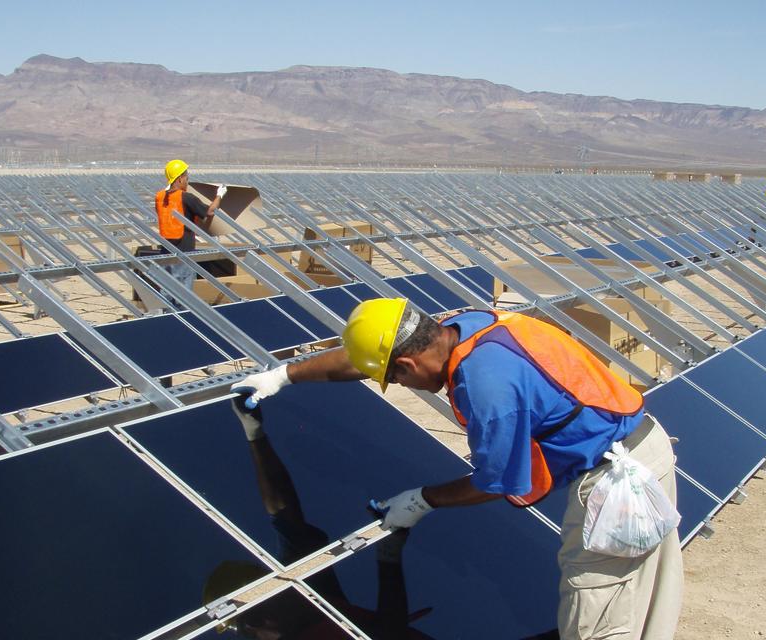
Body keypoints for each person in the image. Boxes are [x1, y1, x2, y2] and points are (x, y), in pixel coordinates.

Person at [232, 300, 683, 640]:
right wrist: (282, 376)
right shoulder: (466, 324)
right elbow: (366, 359)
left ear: (407, 365)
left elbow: (501, 481)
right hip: (647, 447)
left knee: (594, 611)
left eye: (397, 380)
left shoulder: (485, 390)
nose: (399, 386)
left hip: (614, 485)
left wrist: (420, 501)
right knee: (648, 597)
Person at [200, 397, 433, 639]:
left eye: (259, 610)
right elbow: (387, 634)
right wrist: (389, 557)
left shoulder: (310, 593)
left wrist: (254, 433)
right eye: (252, 621)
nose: (266, 621)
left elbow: (284, 514)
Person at [154, 159, 226, 301]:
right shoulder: (186, 197)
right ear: (180, 178)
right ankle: (183, 317)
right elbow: (210, 212)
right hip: (184, 250)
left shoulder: (159, 196)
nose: (187, 181)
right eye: (186, 177)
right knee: (184, 294)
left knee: (167, 290)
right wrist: (220, 194)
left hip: (165, 249)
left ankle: (168, 317)